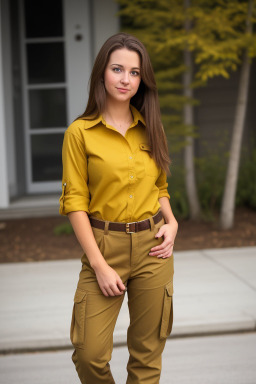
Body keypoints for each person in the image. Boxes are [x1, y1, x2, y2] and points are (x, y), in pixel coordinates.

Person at [59, 32, 178, 384]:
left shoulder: (151, 127)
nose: (126, 79)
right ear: (102, 74)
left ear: (143, 80)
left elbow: (160, 186)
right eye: (117, 69)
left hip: (153, 248)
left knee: (147, 357)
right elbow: (75, 203)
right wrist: (99, 265)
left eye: (135, 72)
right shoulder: (80, 133)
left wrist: (172, 223)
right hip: (104, 247)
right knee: (89, 353)